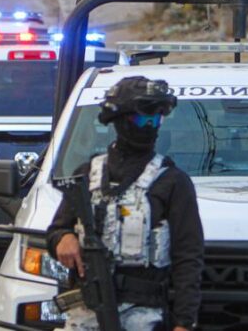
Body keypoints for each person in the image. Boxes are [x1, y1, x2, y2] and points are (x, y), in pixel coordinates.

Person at [47, 76, 204, 331]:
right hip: (86, 311)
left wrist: (184, 322)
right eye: (144, 118)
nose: (151, 126)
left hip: (144, 315)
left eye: (157, 119)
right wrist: (63, 239)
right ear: (121, 120)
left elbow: (188, 257)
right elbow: (56, 231)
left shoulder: (173, 182)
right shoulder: (87, 174)